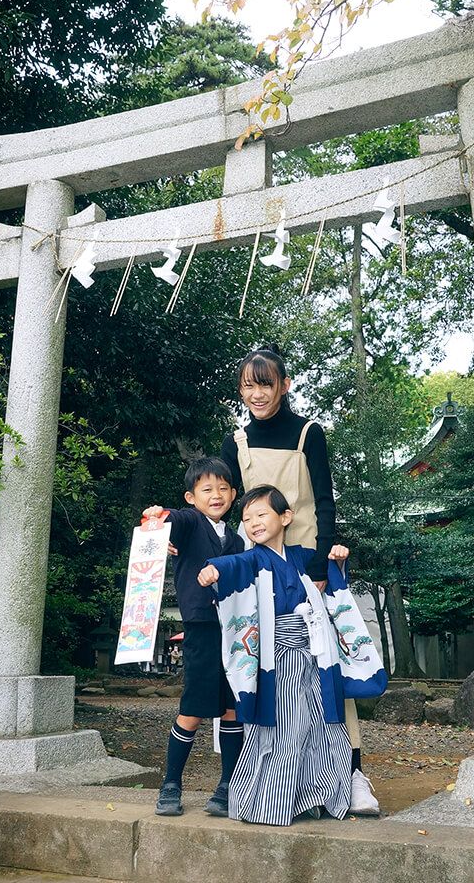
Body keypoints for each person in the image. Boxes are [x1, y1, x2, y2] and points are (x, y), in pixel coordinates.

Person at [220, 344, 380, 815]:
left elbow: (325, 501)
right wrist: (177, 530)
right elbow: (220, 501)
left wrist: (320, 570)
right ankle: (248, 778)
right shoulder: (237, 442)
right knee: (254, 667)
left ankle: (350, 775)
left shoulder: (309, 433)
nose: (257, 394)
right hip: (254, 573)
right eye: (248, 385)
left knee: (328, 669)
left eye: (265, 384)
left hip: (307, 567)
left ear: (284, 385)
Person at [197, 486, 387, 826]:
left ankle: (315, 794)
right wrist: (213, 571)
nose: (253, 523)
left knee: (319, 724)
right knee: (283, 725)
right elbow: (231, 566)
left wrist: (338, 559)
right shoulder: (252, 559)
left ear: (285, 517)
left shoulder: (302, 557)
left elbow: (329, 574)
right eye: (247, 518)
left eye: (261, 514)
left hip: (313, 655)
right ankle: (271, 802)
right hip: (277, 659)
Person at [142, 456, 244, 818]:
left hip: (236, 630)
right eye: (206, 490)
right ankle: (171, 783)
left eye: (222, 489)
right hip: (201, 626)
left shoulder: (236, 539)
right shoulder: (189, 523)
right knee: (193, 710)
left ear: (233, 494)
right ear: (191, 497)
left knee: (233, 709)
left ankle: (229, 784)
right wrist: (160, 516)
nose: (215, 495)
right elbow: (172, 520)